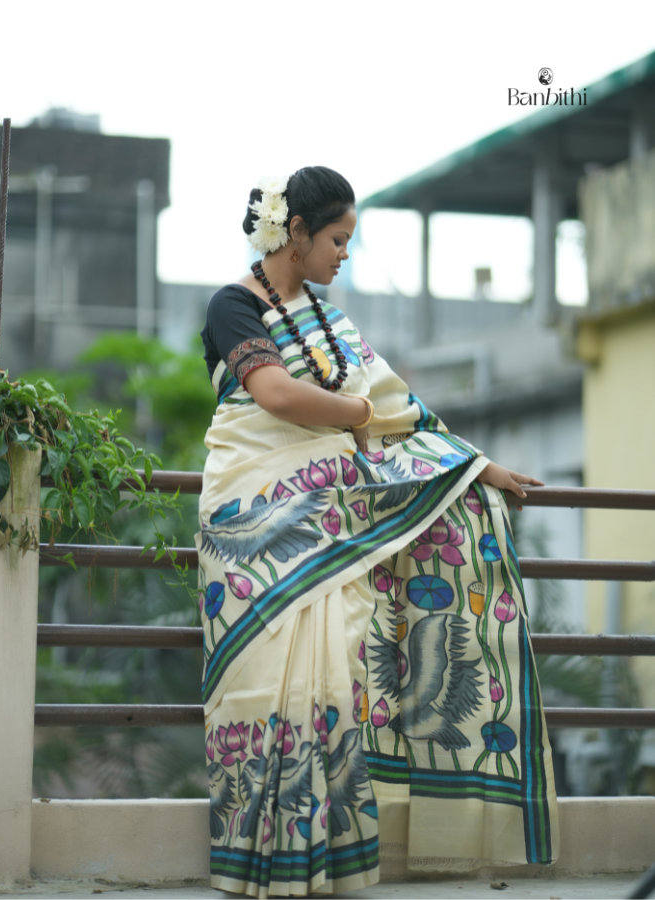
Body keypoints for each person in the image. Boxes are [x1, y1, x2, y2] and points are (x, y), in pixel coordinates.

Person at [196, 166, 559, 898]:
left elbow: (401, 411)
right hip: (250, 523)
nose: (343, 254)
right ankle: (259, 865)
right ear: (294, 233)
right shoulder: (233, 306)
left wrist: (478, 469)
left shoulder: (331, 322)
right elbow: (275, 394)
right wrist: (358, 417)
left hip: (330, 524)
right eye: (335, 239)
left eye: (348, 241)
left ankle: (320, 864)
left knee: (335, 680)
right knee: (264, 690)